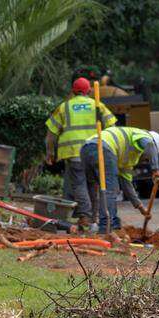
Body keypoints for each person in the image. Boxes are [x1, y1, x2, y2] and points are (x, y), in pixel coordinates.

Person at [45, 78, 117, 221]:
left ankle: (85, 215)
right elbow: (113, 128)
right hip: (95, 152)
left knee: (79, 184)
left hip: (74, 153)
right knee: (93, 185)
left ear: (73, 91)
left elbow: (51, 135)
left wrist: (50, 153)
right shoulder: (97, 106)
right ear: (89, 91)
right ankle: (93, 218)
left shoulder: (64, 107)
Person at [79, 126, 159, 232]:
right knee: (110, 190)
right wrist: (155, 169)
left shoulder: (129, 158)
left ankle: (92, 225)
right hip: (104, 148)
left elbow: (127, 185)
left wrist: (142, 208)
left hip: (85, 149)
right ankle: (107, 227)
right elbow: (150, 144)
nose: (147, 160)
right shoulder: (143, 135)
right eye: (149, 157)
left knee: (97, 188)